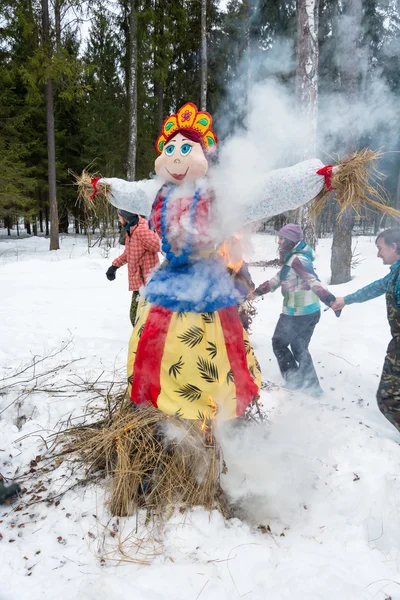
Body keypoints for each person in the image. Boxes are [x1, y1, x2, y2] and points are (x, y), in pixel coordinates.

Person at [87, 102, 345, 421]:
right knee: (154, 338)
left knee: (208, 346)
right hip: (169, 279)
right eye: (170, 148)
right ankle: (156, 400)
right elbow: (129, 192)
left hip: (207, 282)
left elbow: (268, 191)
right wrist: (104, 187)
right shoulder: (158, 194)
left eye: (185, 148)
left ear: (204, 155)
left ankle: (210, 408)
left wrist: (318, 178)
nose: (176, 156)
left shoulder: (218, 195)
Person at [250, 224, 337, 396]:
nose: (279, 241)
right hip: (303, 311)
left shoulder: (299, 260)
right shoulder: (293, 258)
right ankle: (309, 386)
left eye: (282, 238)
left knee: (280, 343)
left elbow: (313, 281)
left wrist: (329, 299)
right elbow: (276, 280)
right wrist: (256, 293)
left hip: (299, 313)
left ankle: (298, 382)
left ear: (290, 240)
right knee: (298, 346)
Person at [331, 228, 400, 432]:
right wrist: (346, 300)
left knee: (387, 398)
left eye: (380, 248)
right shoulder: (395, 274)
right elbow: (377, 287)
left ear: (393, 247)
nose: (378, 254)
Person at [106, 209, 160, 327]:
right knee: (137, 317)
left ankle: (146, 342)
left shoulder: (141, 231)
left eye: (119, 217)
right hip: (139, 282)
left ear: (126, 217)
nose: (118, 219)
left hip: (148, 282)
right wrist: (114, 266)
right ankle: (144, 342)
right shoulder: (131, 230)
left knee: (138, 317)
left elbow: (158, 246)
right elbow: (129, 253)